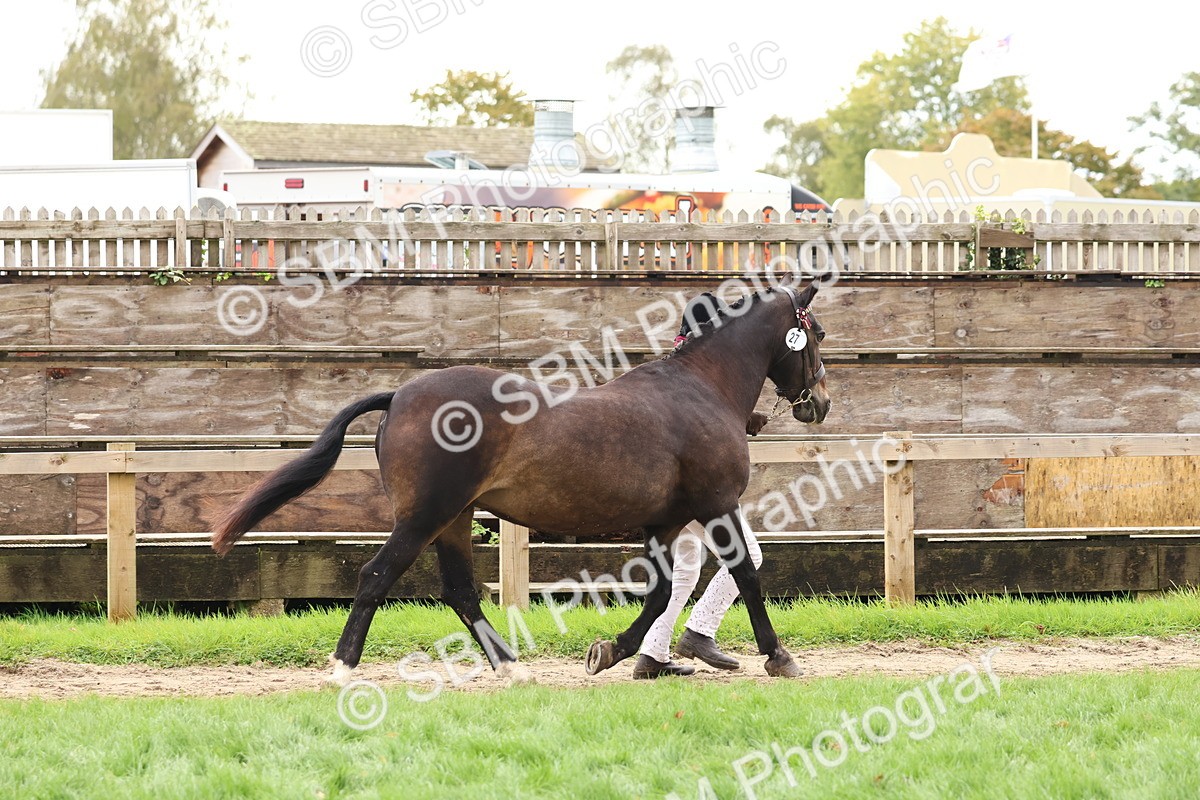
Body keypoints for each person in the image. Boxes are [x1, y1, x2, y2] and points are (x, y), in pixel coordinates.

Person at [632, 292, 767, 680]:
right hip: (695, 492)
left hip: (671, 491)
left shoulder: (679, 371)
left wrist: (745, 418)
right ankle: (699, 631)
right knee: (749, 557)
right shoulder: (701, 375)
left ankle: (652, 654)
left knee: (685, 571)